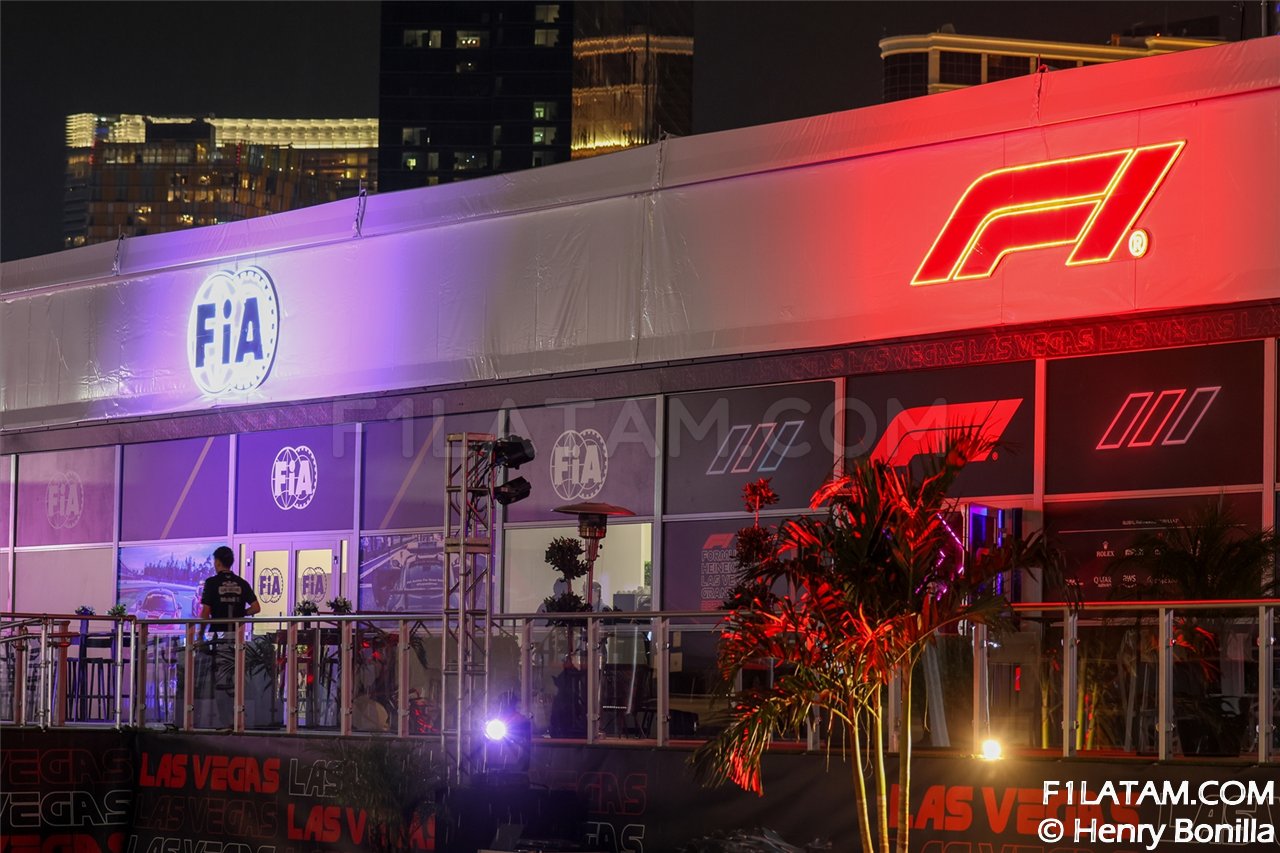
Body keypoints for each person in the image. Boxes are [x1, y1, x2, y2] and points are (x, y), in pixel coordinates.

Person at [199, 545, 260, 633]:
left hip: (217, 632)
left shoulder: (211, 583)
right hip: (236, 634)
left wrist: (201, 634)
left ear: (217, 562)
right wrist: (241, 613)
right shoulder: (242, 583)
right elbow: (256, 608)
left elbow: (205, 612)